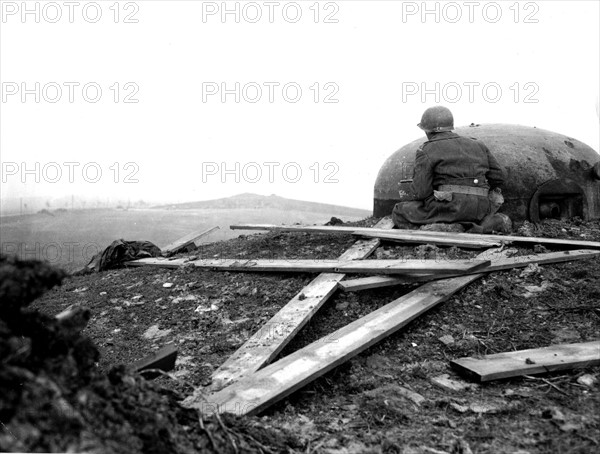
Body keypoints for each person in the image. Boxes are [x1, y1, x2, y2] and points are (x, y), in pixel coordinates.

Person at [392, 106, 510, 233]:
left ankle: (439, 230)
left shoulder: (426, 149)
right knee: (469, 213)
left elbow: (421, 192)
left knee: (400, 210)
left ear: (427, 131)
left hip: (449, 207)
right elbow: (499, 177)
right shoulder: (478, 145)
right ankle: (481, 227)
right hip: (479, 208)